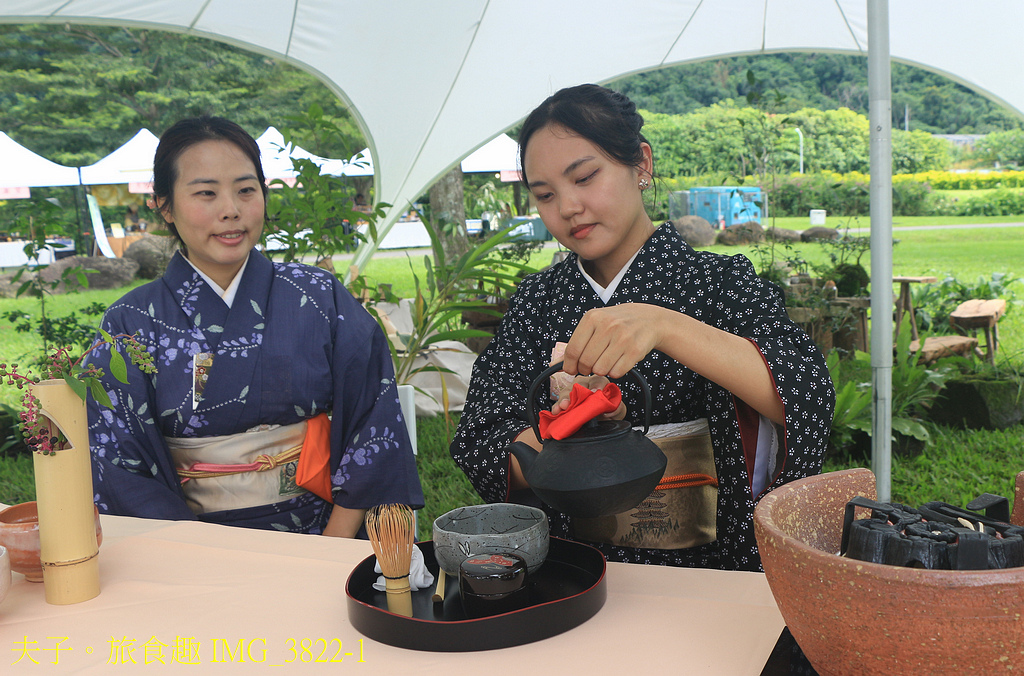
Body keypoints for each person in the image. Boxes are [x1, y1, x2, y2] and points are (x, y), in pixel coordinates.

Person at [449, 84, 834, 571]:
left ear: (642, 165)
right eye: (545, 195)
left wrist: (664, 325)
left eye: (585, 177)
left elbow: (805, 394)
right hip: (578, 569)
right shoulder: (538, 302)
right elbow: (480, 434)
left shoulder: (718, 283)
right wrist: (565, 440)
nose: (567, 207)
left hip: (712, 572)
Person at [88, 116, 423, 537]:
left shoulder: (317, 297)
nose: (231, 210)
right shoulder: (130, 322)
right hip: (187, 546)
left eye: (246, 190)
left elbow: (374, 418)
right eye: (206, 193)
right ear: (165, 205)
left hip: (325, 528)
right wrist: (192, 552)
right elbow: (118, 462)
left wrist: (333, 548)